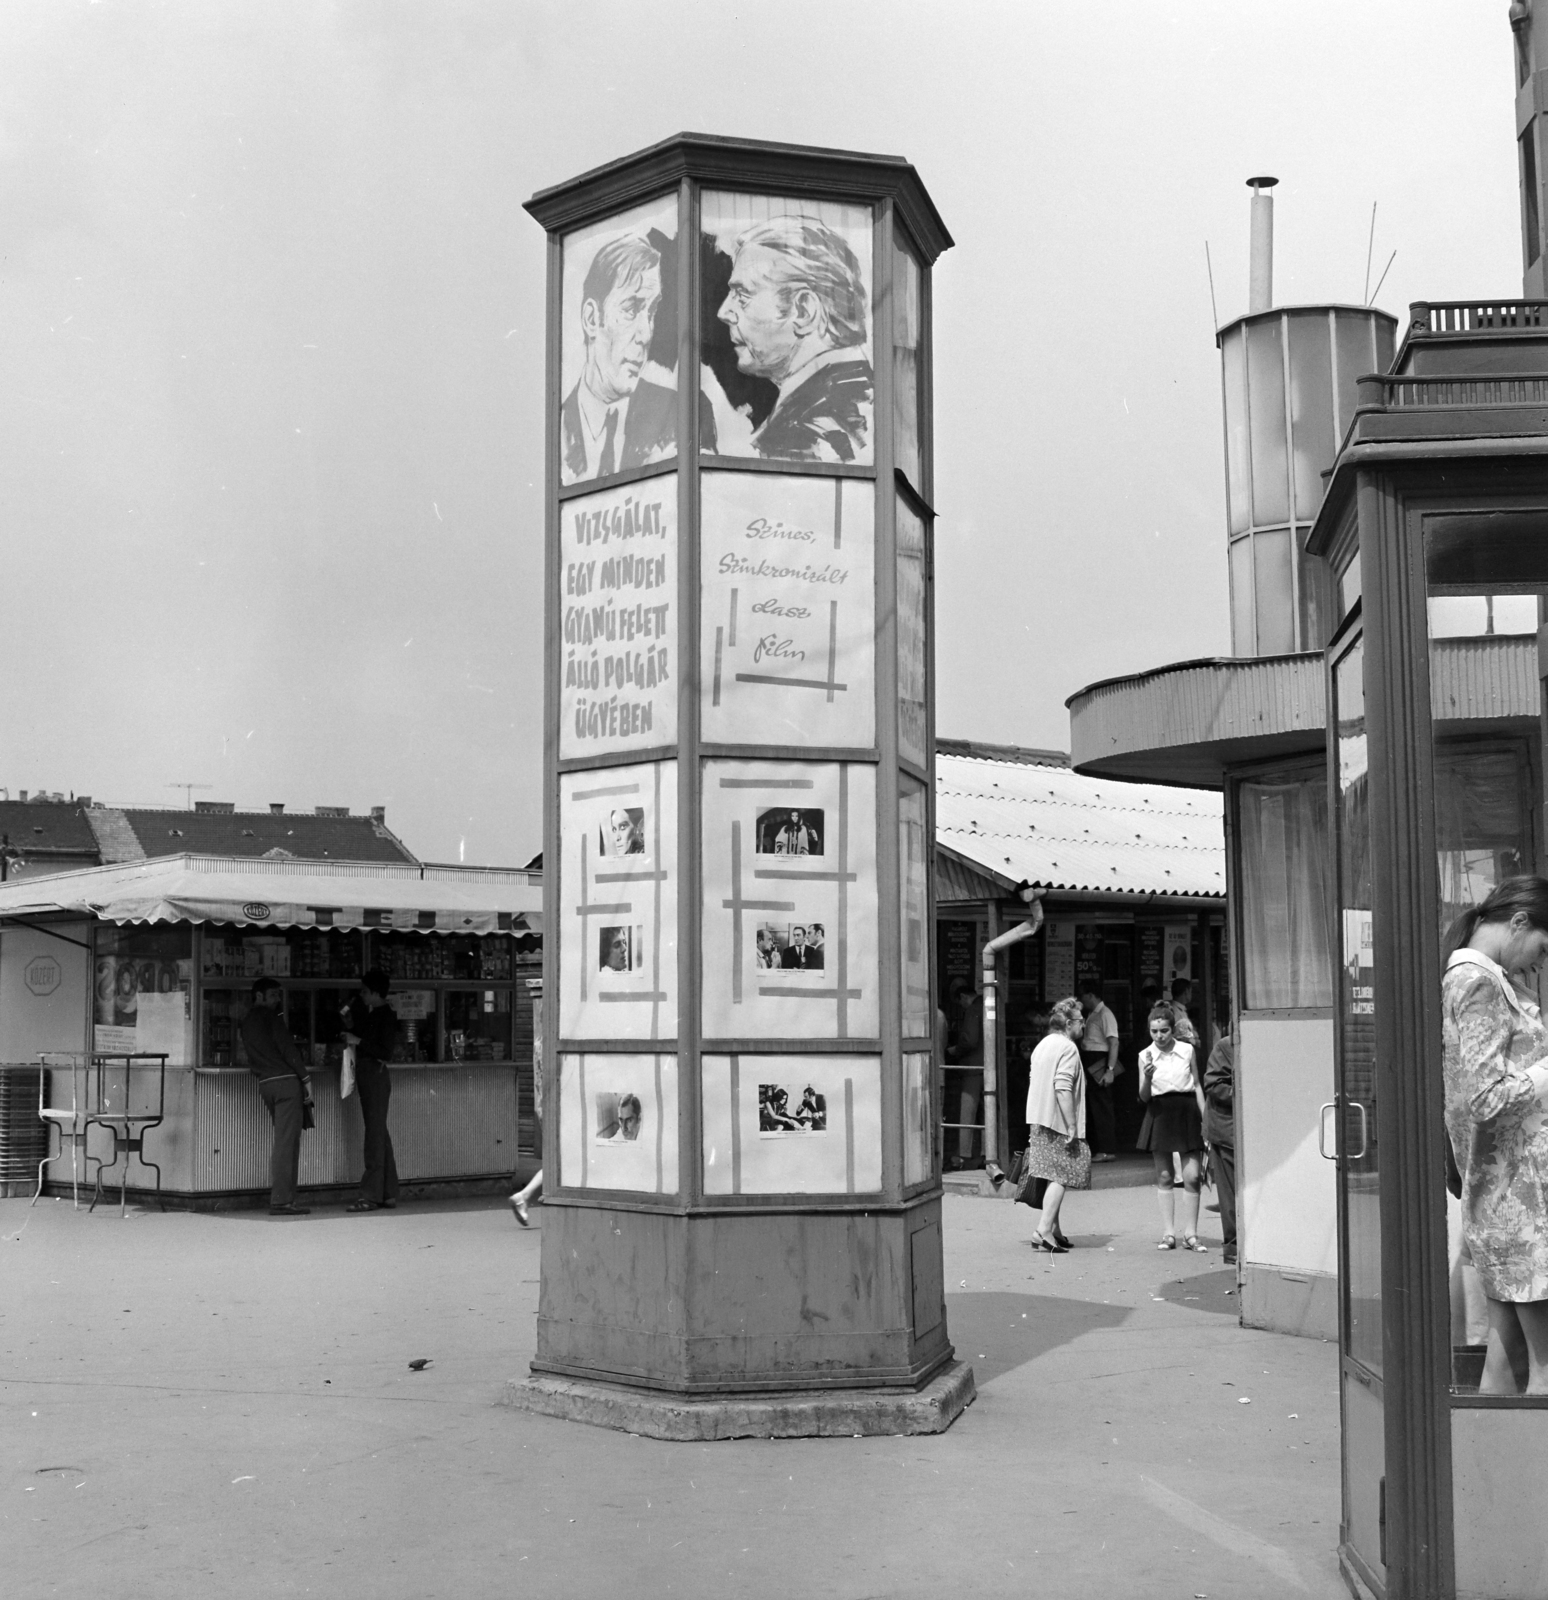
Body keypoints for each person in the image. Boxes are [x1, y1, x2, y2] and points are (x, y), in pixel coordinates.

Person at [1441, 877, 1548, 1394]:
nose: (1540, 962)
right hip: (1519, 1201)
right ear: (1520, 922)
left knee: (1506, 1362)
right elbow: (1487, 1098)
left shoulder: (1484, 978)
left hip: (1501, 1195)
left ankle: (1483, 1476)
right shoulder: (1477, 980)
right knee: (1544, 1367)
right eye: (1543, 948)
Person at [560, 235, 716, 484]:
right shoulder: (555, 433)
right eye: (631, 309)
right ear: (591, 319)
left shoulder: (685, 416)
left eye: (651, 311)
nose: (646, 334)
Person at [716, 216, 872, 464]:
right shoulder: (862, 402)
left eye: (742, 295)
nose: (724, 312)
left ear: (804, 310)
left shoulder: (800, 431)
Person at [1020, 996, 1091, 1253]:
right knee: (1061, 1175)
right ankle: (1043, 1230)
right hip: (1057, 1121)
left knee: (1051, 1176)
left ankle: (1054, 1230)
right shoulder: (1068, 1048)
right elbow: (1063, 1087)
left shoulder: (1043, 1045)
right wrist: (1072, 1125)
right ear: (1069, 1023)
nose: (1083, 1026)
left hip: (1038, 1118)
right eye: (1081, 1021)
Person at [240, 978, 314, 1217]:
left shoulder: (246, 1021)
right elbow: (288, 1049)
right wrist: (305, 1079)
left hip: (266, 1085)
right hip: (286, 1084)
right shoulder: (272, 1018)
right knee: (287, 1144)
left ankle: (284, 1199)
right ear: (259, 996)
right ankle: (283, 1200)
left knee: (284, 1141)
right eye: (272, 995)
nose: (276, 1000)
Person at [1138, 1002, 1209, 1251]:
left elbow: (1197, 1085)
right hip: (1160, 1112)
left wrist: (1206, 1120)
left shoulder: (1187, 1050)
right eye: (1154, 1031)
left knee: (1191, 1176)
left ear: (1172, 1029)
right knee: (1165, 1175)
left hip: (1187, 1110)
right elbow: (1144, 1096)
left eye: (1164, 1031)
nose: (1159, 1036)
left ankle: (1191, 1233)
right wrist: (1147, 1076)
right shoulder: (1144, 1056)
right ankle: (1169, 1234)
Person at [341, 969, 401, 1214]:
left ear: (376, 993)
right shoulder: (374, 1014)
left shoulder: (386, 1016)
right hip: (370, 1076)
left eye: (366, 991)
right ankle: (388, 1192)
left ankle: (370, 1195)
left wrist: (358, 1041)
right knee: (379, 1133)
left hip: (375, 1075)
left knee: (374, 1136)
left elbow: (385, 1051)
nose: (362, 995)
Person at [1203, 1030, 1238, 1264]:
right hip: (1226, 1130)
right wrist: (1244, 1092)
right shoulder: (1226, 1046)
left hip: (1236, 1128)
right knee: (1230, 1195)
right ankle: (1233, 1248)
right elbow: (1214, 1084)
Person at [1078, 983, 1122, 1162]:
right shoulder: (1091, 1014)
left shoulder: (1106, 1014)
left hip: (1100, 1061)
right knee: (1092, 1106)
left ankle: (1106, 1149)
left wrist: (1110, 1070)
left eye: (1083, 996)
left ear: (1091, 995)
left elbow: (1114, 1042)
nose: (1082, 1000)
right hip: (1089, 1058)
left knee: (1102, 1106)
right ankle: (1097, 1148)